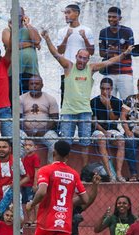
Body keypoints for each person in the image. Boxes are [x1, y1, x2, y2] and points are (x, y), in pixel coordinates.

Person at [42, 29, 132, 167]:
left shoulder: (90, 68)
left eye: (85, 58)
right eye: (80, 57)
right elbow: (55, 54)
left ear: (88, 59)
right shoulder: (68, 66)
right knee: (65, 144)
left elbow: (109, 62)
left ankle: (83, 171)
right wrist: (47, 38)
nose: (82, 60)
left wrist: (124, 54)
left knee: (85, 144)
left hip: (84, 112)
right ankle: (63, 169)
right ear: (76, 57)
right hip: (68, 112)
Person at [56, 4, 95, 105]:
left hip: (82, 71)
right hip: (66, 71)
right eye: (65, 13)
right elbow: (60, 51)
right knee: (65, 99)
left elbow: (91, 52)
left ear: (77, 13)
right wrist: (66, 37)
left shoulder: (87, 30)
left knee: (82, 99)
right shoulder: (62, 31)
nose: (66, 15)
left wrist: (85, 38)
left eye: (68, 12)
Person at [90, 77, 125, 182]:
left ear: (111, 89)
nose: (105, 91)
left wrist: (108, 106)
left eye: (108, 89)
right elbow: (94, 122)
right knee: (101, 139)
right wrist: (105, 133)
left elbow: (114, 119)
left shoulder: (117, 102)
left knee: (121, 141)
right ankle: (111, 175)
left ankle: (118, 173)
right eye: (103, 88)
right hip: (99, 130)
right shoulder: (94, 101)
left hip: (112, 129)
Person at [0, 139, 29, 219]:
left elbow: (26, 177)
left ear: (10, 149)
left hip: (13, 198)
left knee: (17, 223)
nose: (1, 149)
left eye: (4, 147)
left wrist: (17, 184)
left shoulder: (17, 161)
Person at [98, 6, 135, 101]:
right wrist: (118, 51)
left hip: (125, 73)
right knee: (108, 101)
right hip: (109, 72)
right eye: (109, 17)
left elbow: (130, 50)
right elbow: (101, 53)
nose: (111, 19)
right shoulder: (103, 32)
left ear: (120, 18)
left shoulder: (127, 31)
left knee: (128, 102)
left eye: (114, 17)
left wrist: (112, 52)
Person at [20, 75, 59, 163]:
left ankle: (51, 167)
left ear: (42, 85)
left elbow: (55, 119)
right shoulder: (21, 99)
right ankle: (20, 167)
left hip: (45, 132)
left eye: (37, 84)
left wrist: (43, 130)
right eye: (31, 84)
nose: (34, 86)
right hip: (25, 131)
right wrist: (27, 131)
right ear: (28, 85)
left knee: (55, 141)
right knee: (18, 139)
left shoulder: (50, 99)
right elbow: (17, 119)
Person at [1, 7, 40, 94]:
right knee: (14, 97)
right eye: (14, 16)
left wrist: (28, 25)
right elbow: (11, 46)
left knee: (31, 98)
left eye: (19, 16)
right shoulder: (6, 31)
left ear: (23, 16)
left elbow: (37, 40)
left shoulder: (30, 29)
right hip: (14, 71)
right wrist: (30, 44)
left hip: (31, 71)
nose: (17, 18)